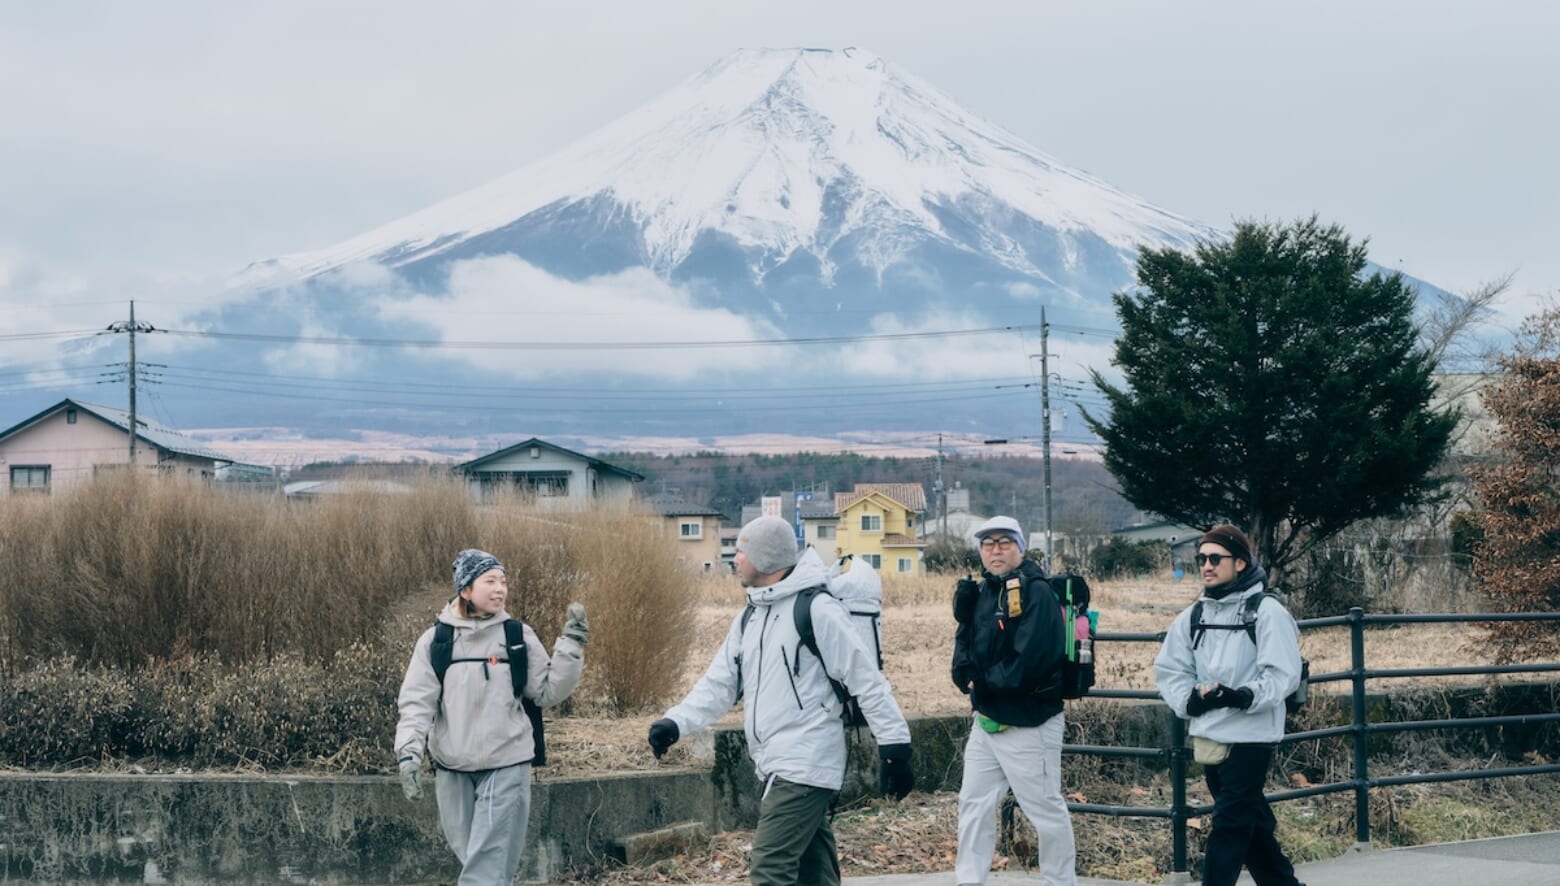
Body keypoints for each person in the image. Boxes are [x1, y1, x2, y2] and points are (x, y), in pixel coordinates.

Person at [646, 515, 914, 886]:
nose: (734, 559)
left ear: (767, 558)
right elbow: (720, 682)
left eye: (742, 551)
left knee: (770, 870)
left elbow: (866, 680)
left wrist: (895, 747)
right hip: (774, 762)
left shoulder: (817, 609)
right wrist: (676, 722)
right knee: (813, 876)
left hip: (806, 761)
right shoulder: (752, 615)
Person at [395, 548, 589, 886]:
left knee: (485, 864)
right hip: (452, 765)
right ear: (466, 589)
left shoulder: (516, 636)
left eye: (503, 581)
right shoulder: (435, 642)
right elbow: (416, 703)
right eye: (490, 581)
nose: (500, 589)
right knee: (477, 858)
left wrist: (571, 646)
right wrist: (409, 753)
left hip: (507, 760)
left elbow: (546, 691)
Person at [1154, 525, 1305, 886]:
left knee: (1230, 824)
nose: (1206, 565)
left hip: (1252, 734)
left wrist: (1242, 696)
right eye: (1201, 558)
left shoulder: (1267, 612)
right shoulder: (1194, 616)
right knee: (1252, 825)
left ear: (1239, 562)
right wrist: (1190, 700)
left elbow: (1283, 674)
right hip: (1210, 735)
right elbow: (1170, 669)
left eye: (1215, 558)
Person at [950, 515, 1077, 886]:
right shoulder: (985, 591)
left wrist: (982, 685)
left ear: (1021, 547)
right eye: (988, 544)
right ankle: (968, 879)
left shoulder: (1036, 592)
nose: (995, 550)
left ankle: (1060, 881)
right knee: (973, 806)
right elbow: (965, 640)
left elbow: (1032, 660)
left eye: (1004, 542)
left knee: (1045, 809)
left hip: (1030, 721)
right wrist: (964, 674)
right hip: (988, 719)